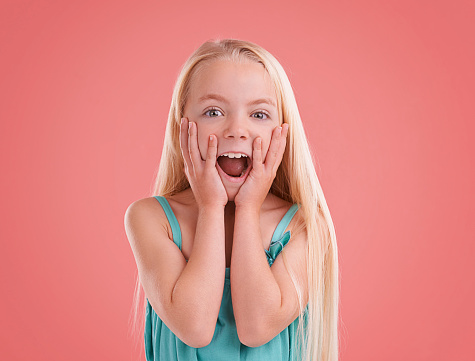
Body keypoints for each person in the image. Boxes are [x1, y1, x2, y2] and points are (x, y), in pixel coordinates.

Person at [124, 38, 339, 361]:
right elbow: (194, 327)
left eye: (259, 114)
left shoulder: (305, 226)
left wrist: (248, 208)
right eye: (213, 111)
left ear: (283, 132)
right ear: (183, 126)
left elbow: (256, 327)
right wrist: (211, 206)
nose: (237, 130)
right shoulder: (149, 218)